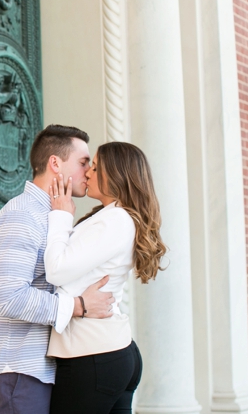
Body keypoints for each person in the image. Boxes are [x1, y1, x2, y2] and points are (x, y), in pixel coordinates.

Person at [0, 125, 116, 414]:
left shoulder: (54, 216)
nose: (90, 171)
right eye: (83, 163)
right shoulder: (23, 216)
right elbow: (9, 297)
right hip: (18, 371)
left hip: (41, 369)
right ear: (55, 163)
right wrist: (79, 306)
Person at [44, 141, 168, 414]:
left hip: (92, 357)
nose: (87, 172)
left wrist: (61, 216)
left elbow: (56, 270)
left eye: (96, 167)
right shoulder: (113, 217)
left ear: (117, 175)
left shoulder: (115, 220)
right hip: (108, 354)